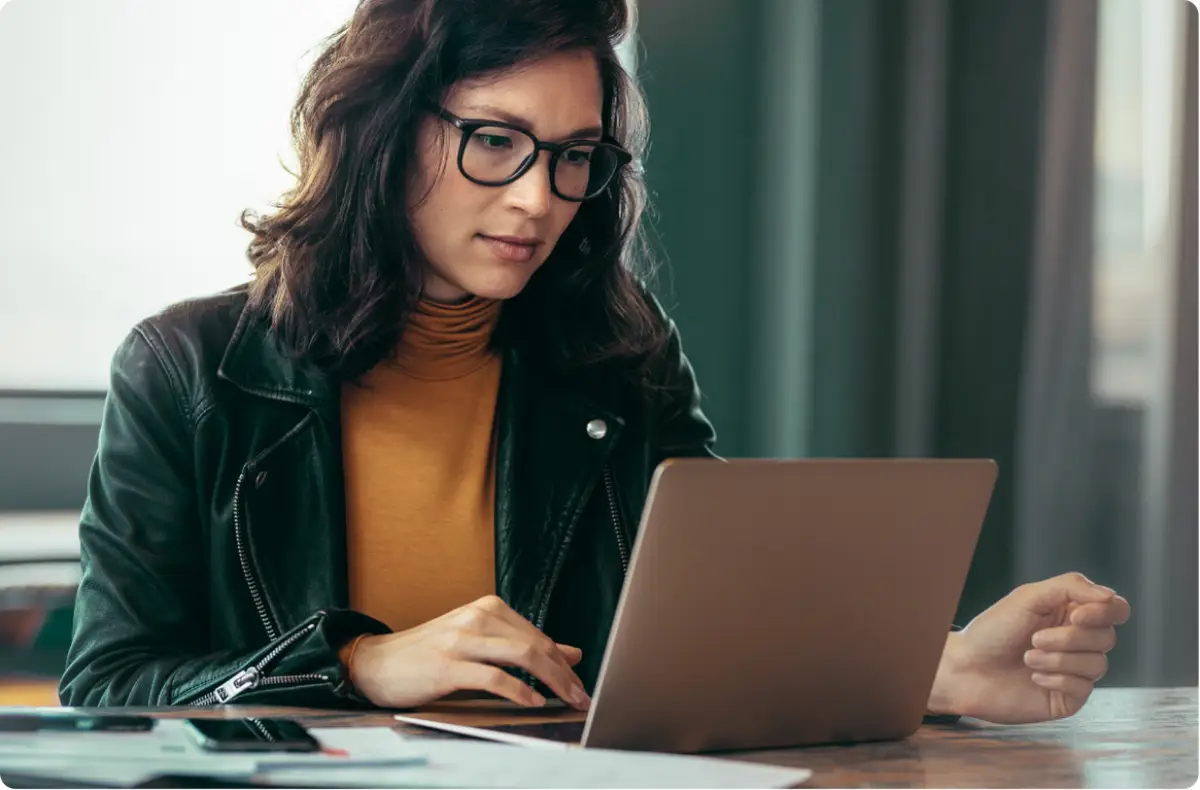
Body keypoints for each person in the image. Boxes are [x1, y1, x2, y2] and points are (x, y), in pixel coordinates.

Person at [58, 0, 1130, 726]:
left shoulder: (616, 354)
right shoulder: (187, 369)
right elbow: (108, 687)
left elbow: (718, 626)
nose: (538, 197)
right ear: (382, 129)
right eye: (495, 140)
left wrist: (936, 668)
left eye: (575, 156)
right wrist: (356, 666)